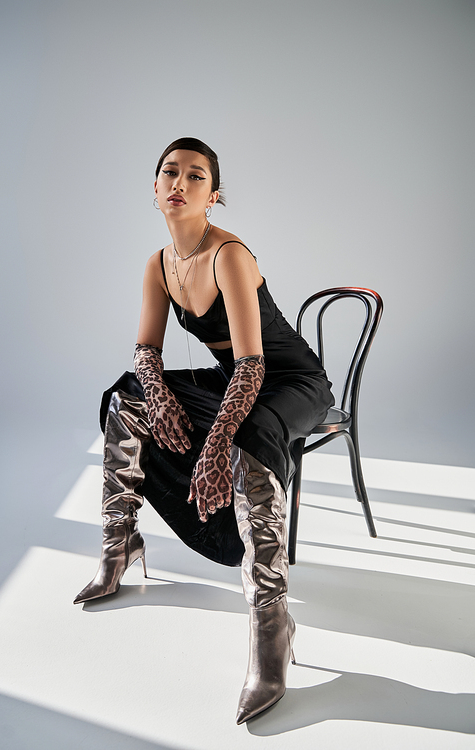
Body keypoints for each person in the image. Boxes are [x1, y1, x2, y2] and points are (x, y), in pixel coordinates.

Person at [74, 137, 334, 724]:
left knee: (250, 434)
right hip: (241, 380)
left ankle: (272, 627)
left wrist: (215, 446)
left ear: (212, 196)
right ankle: (120, 546)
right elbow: (146, 350)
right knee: (128, 395)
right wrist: (160, 393)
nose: (179, 184)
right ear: (155, 188)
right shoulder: (158, 265)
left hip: (290, 383)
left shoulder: (230, 256)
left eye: (196, 177)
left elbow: (252, 366)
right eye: (170, 173)